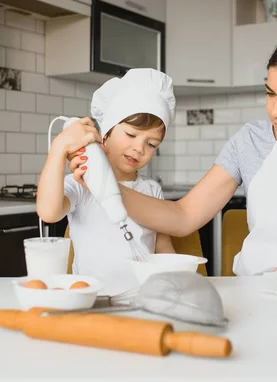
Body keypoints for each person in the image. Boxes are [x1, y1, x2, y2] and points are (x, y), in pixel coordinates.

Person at [69, 32, 277, 276]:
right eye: (270, 93)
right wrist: (103, 185)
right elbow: (184, 216)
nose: (276, 111)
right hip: (257, 294)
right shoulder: (252, 140)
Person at [37, 68, 176, 283]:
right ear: (106, 133)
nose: (139, 148)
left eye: (151, 144)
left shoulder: (152, 189)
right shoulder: (81, 182)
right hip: (93, 296)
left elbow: (163, 245)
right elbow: (48, 212)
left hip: (141, 294)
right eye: (130, 134)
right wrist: (59, 148)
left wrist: (177, 280)